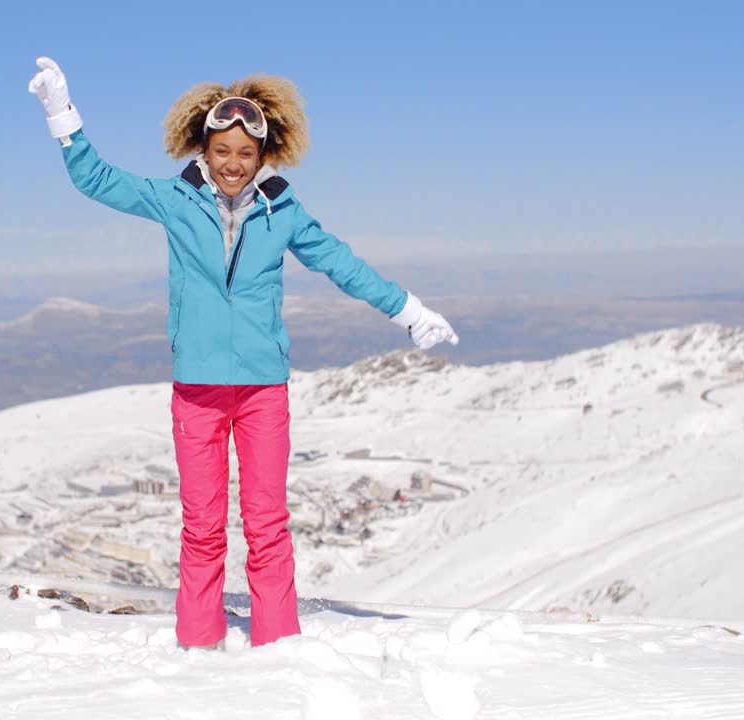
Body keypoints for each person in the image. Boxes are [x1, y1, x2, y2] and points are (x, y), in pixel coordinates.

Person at [28, 57, 458, 649]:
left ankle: (278, 647)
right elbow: (96, 179)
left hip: (262, 390)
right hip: (198, 390)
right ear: (203, 147)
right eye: (222, 150)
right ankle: (198, 648)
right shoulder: (173, 200)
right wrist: (62, 115)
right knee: (202, 529)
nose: (233, 164)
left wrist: (407, 310)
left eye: (245, 154)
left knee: (267, 526)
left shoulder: (283, 212)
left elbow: (341, 264)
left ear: (263, 155)